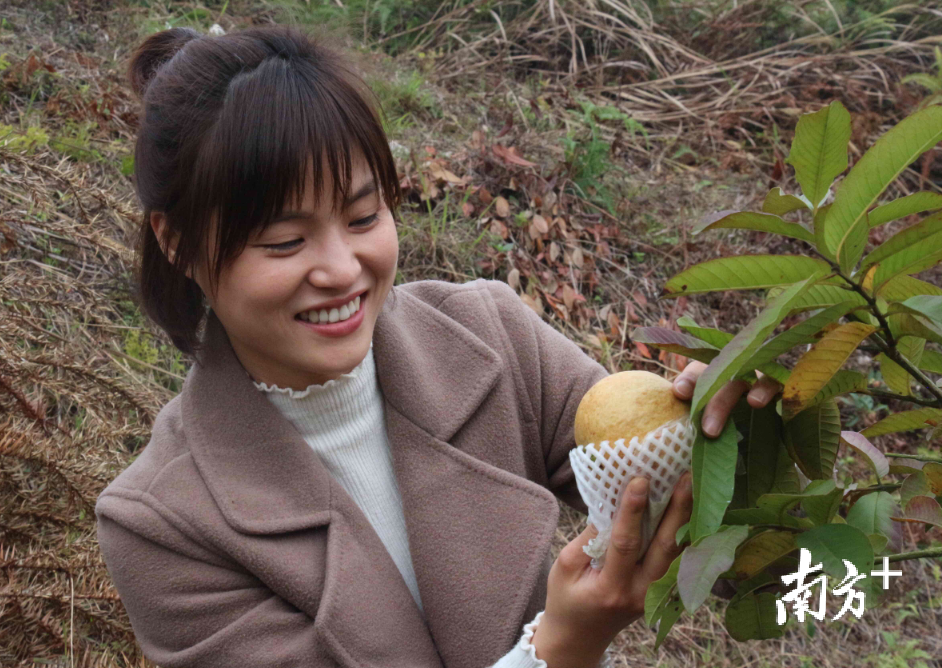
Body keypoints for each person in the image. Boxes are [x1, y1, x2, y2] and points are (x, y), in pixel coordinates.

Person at [94, 24, 781, 668]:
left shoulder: (488, 338)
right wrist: (556, 652)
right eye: (284, 241)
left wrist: (735, 438)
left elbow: (715, 538)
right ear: (177, 242)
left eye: (364, 216)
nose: (341, 269)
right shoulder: (163, 524)